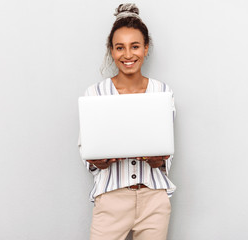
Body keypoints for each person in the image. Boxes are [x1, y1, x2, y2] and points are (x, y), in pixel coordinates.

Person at [78, 3, 176, 240]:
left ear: (146, 48)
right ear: (111, 51)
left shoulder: (162, 91)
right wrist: (96, 162)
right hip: (111, 199)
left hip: (153, 199)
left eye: (135, 46)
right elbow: (85, 148)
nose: (128, 55)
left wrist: (160, 160)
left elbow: (168, 150)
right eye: (120, 47)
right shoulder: (95, 93)